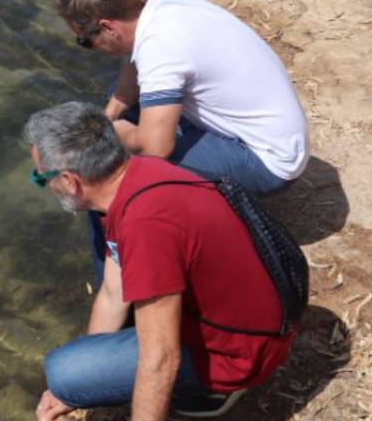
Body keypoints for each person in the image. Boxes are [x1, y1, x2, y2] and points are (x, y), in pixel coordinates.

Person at [23, 102, 294, 421]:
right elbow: (112, 293)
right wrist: (90, 372)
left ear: (70, 181)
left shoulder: (144, 227)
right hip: (258, 319)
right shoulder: (139, 176)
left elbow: (161, 358)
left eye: (41, 178)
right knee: (74, 374)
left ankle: (213, 390)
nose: (43, 185)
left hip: (241, 354)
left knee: (63, 373)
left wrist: (79, 380)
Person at [55, 0, 310, 283]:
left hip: (269, 161)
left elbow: (156, 148)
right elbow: (134, 68)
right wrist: (108, 117)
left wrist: (117, 134)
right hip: (274, 132)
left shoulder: (161, 45)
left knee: (106, 174)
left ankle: (118, 283)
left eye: (85, 41)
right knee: (122, 113)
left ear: (108, 27)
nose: (88, 47)